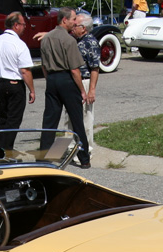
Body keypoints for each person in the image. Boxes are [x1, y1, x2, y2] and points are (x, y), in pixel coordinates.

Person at [39, 8, 90, 169]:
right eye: (73, 19)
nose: (75, 22)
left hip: (52, 79)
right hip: (67, 79)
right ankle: (84, 158)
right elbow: (75, 70)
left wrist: (50, 80)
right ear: (64, 20)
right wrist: (82, 89)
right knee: (76, 120)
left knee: (49, 120)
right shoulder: (69, 41)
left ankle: (43, 158)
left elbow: (43, 65)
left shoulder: (46, 39)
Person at [0, 12, 36, 149]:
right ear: (16, 25)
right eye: (23, 24)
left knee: (4, 116)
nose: (24, 27)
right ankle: (5, 149)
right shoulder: (19, 44)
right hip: (14, 84)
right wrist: (32, 90)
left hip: (1, 83)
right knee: (13, 119)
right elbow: (25, 70)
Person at [68, 13, 100, 155]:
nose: (73, 28)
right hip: (74, 83)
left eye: (76, 25)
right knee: (70, 118)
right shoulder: (75, 41)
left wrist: (91, 90)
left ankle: (87, 149)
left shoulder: (91, 43)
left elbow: (94, 68)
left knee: (86, 118)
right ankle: (71, 148)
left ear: (84, 28)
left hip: (85, 82)